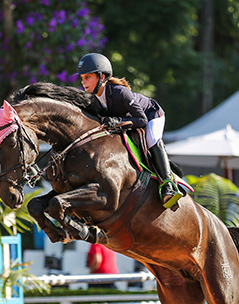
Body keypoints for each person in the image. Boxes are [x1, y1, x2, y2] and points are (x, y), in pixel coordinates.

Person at [75, 53, 182, 208]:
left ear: (102, 76)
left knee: (151, 138)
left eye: (87, 77)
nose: (83, 82)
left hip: (151, 115)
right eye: (82, 78)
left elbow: (142, 120)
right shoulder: (92, 100)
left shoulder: (119, 92)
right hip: (129, 122)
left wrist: (118, 122)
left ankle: (167, 184)